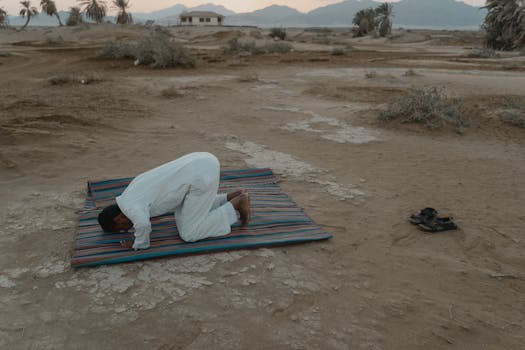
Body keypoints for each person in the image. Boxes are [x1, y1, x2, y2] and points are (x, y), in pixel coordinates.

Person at [97, 152, 251, 250]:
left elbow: (143, 225)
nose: (127, 230)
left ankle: (236, 204)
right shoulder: (128, 194)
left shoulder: (132, 208)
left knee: (189, 233)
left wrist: (138, 244)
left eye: (122, 228)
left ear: (118, 218)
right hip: (201, 159)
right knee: (183, 215)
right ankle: (230, 197)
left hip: (201, 176)